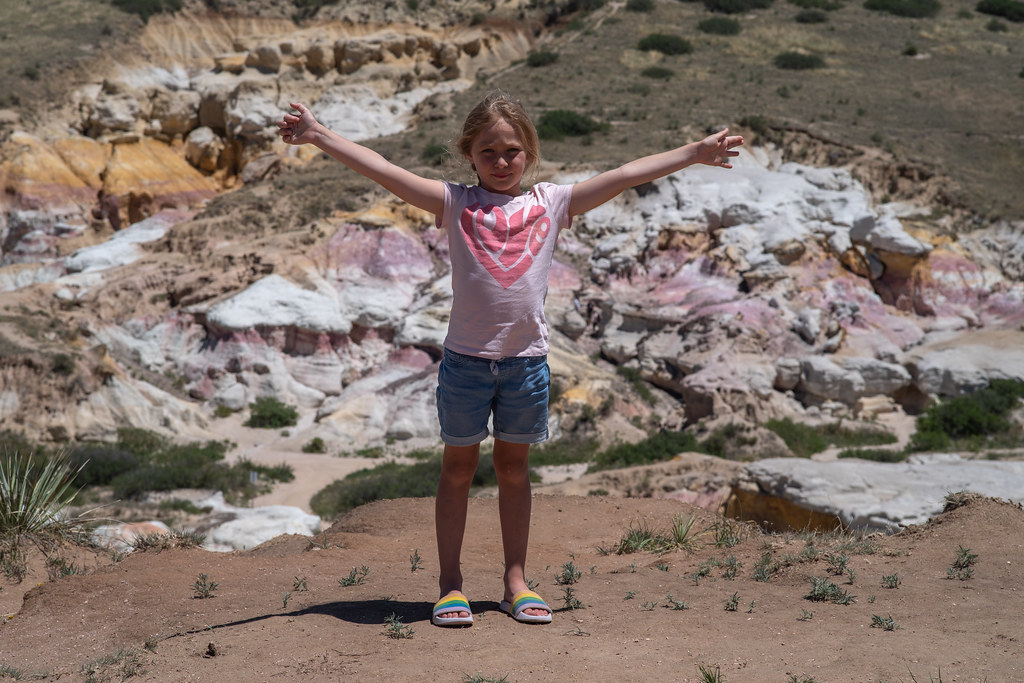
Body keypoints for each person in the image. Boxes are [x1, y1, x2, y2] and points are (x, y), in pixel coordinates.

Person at [277, 92, 742, 627]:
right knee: (457, 469)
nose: (501, 161)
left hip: (526, 363)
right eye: (489, 151)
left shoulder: (551, 202)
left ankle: (515, 581)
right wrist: (318, 135)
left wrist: (695, 152)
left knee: (515, 470)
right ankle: (450, 584)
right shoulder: (453, 202)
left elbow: (625, 173)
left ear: (531, 154)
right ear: (469, 155)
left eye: (513, 151)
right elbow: (384, 169)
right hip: (465, 364)